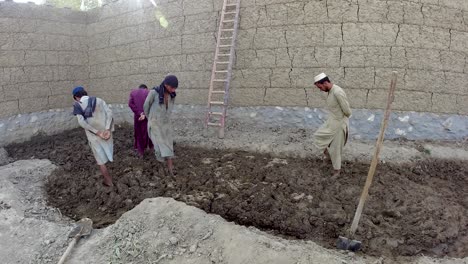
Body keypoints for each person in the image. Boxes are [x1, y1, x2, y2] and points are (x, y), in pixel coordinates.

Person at [72, 86, 114, 186]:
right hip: (106, 133)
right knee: (107, 149)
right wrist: (107, 129)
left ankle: (108, 181)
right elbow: (109, 113)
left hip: (94, 136)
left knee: (100, 159)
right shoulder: (99, 100)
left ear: (76, 97)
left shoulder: (78, 105)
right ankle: (110, 163)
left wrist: (97, 132)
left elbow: (82, 123)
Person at [312, 73, 352, 178]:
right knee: (318, 137)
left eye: (320, 87)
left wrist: (340, 121)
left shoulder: (337, 92)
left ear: (325, 82)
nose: (320, 89)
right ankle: (328, 157)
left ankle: (337, 171)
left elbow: (347, 111)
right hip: (331, 122)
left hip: (339, 124)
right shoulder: (330, 91)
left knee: (335, 148)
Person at [144, 75, 178, 175]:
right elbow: (146, 106)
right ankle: (161, 169)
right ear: (166, 85)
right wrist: (150, 118)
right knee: (159, 147)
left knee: (169, 145)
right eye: (172, 88)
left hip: (166, 124)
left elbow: (169, 109)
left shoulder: (172, 95)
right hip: (155, 123)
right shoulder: (154, 93)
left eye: (175, 88)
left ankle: (170, 169)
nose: (173, 90)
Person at [128, 84, 153, 157]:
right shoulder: (148, 92)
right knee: (148, 132)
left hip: (138, 117)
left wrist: (139, 113)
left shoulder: (133, 92)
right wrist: (144, 114)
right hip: (147, 117)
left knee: (139, 133)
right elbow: (151, 104)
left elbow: (130, 104)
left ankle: (141, 152)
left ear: (139, 88)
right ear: (146, 88)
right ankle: (150, 148)